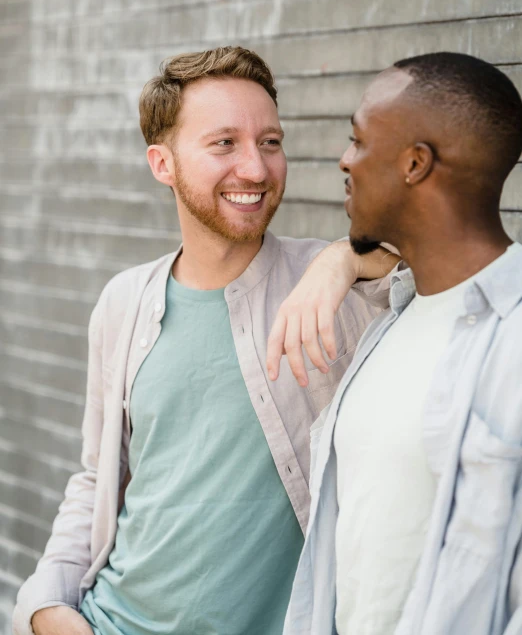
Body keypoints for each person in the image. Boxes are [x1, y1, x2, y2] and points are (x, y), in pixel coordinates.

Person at [13, 46, 400, 635]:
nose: (256, 168)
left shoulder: (331, 289)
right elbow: (98, 478)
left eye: (270, 142)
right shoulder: (124, 301)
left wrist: (343, 258)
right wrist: (45, 606)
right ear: (162, 164)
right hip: (109, 621)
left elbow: (450, 280)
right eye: (225, 144)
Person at [279, 52, 522, 635]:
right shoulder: (392, 319)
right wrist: (341, 257)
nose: (344, 159)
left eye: (358, 141)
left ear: (415, 163)